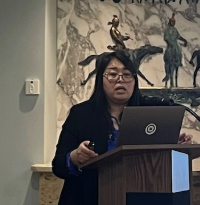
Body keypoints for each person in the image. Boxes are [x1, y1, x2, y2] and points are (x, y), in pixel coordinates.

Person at [52, 51, 192, 204]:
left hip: (142, 197)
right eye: (113, 74)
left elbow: (158, 162)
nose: (120, 80)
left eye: (127, 74)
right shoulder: (81, 114)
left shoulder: (151, 112)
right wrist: (74, 157)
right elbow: (58, 166)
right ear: (100, 79)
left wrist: (174, 147)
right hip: (89, 197)